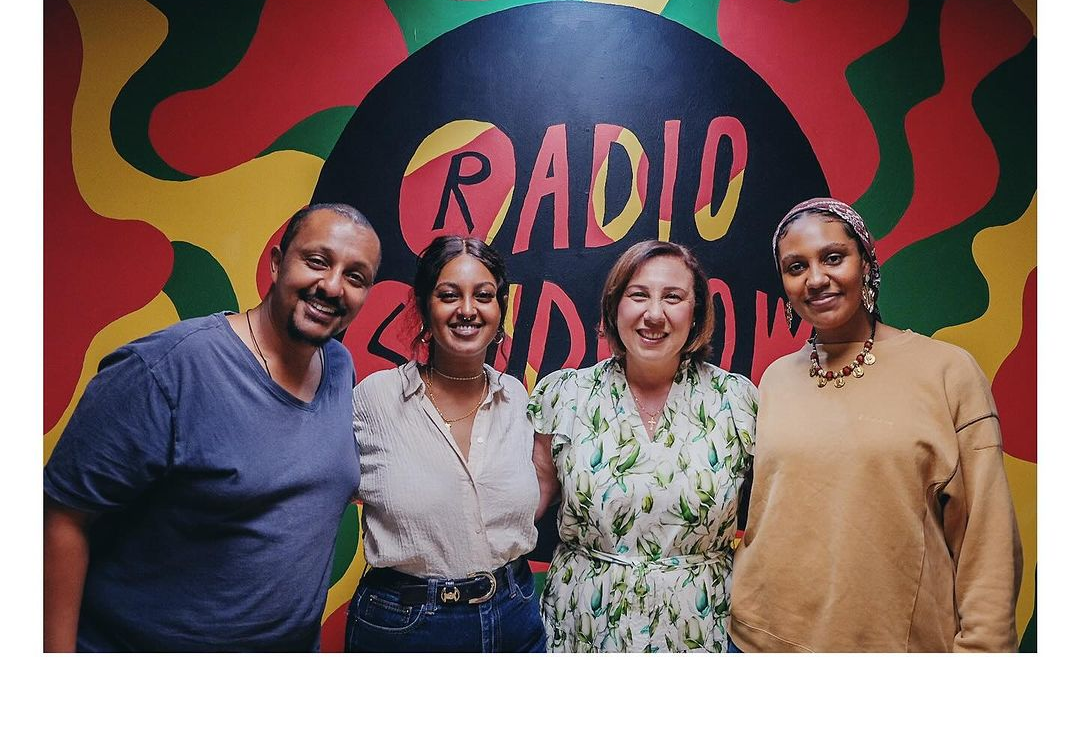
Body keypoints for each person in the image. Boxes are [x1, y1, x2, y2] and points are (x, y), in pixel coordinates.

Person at [43, 203, 381, 651]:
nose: (333, 286)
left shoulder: (338, 366)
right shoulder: (166, 368)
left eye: (355, 277)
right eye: (317, 261)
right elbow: (63, 516)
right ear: (277, 263)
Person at [730, 197, 1023, 652]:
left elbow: (988, 536)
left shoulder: (947, 372)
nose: (816, 279)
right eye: (796, 267)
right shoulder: (774, 379)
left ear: (866, 263)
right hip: (759, 641)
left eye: (833, 257)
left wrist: (984, 653)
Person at [529, 240, 757, 652]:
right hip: (584, 627)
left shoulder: (736, 400)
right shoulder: (565, 395)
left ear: (696, 312)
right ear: (614, 307)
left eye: (673, 297)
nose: (654, 314)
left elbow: (776, 514)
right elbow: (525, 505)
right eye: (638, 295)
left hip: (699, 628)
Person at [346, 236, 544, 652]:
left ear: (500, 309)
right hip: (408, 624)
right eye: (449, 295)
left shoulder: (516, 397)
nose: (467, 310)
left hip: (514, 611)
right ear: (424, 307)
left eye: (483, 296)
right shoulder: (375, 399)